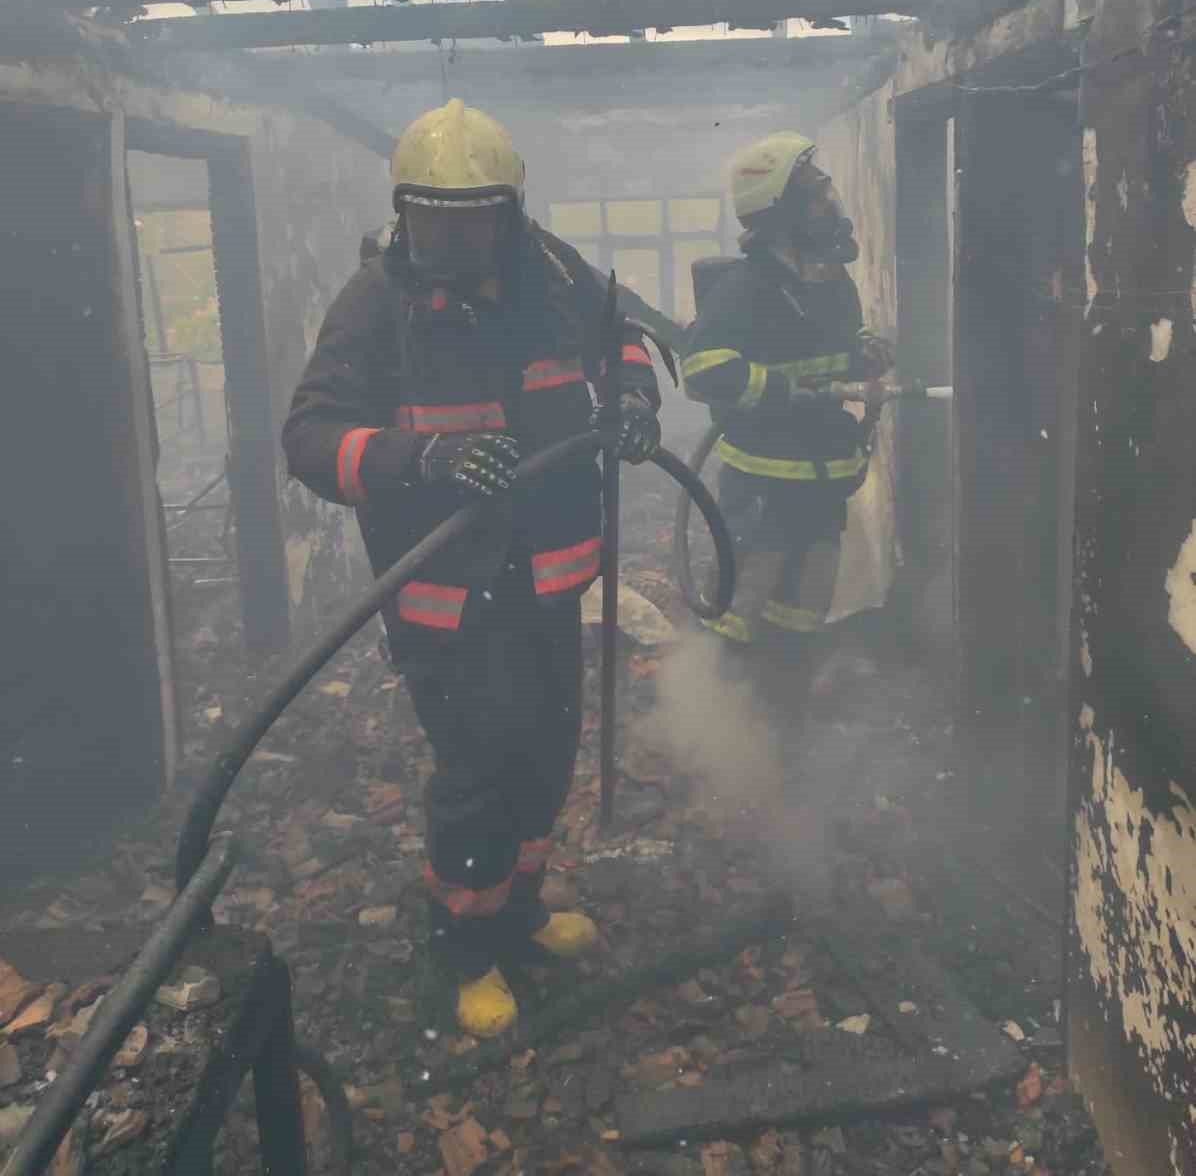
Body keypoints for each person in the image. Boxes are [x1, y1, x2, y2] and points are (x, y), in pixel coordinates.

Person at [282, 99, 661, 1038]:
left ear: (509, 209)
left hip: (549, 576)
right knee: (480, 764)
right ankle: (465, 949)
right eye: (433, 215)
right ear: (405, 211)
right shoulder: (376, 305)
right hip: (447, 591)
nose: (453, 234)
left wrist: (638, 400)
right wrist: (422, 460)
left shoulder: (555, 273)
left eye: (475, 213)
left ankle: (520, 913)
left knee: (545, 752)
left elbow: (620, 340)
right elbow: (307, 437)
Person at [680, 130, 892, 678]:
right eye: (814, 195)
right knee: (737, 617)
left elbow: (833, 350)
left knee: (802, 618)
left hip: (822, 483)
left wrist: (862, 353)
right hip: (764, 489)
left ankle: (781, 724)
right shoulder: (748, 289)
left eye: (826, 191)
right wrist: (780, 391)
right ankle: (714, 724)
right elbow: (702, 370)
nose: (829, 204)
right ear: (781, 214)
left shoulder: (830, 282)